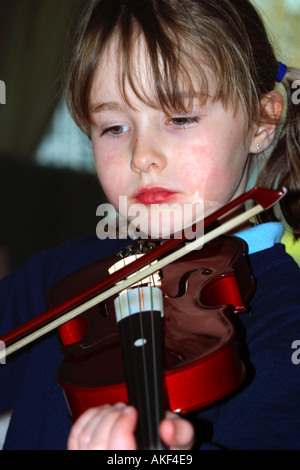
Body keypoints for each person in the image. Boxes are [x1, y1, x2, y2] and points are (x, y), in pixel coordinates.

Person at [0, 0, 300, 450]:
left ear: (262, 120)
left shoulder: (284, 321)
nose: (142, 155)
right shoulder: (63, 279)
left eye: (179, 118)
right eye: (114, 127)